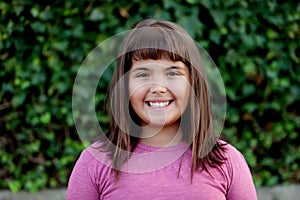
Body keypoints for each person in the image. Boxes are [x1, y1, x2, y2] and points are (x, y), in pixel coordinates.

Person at [66, 19, 257, 200]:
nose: (158, 87)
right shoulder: (95, 163)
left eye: (173, 73)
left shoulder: (226, 161)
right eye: (143, 74)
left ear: (193, 83)